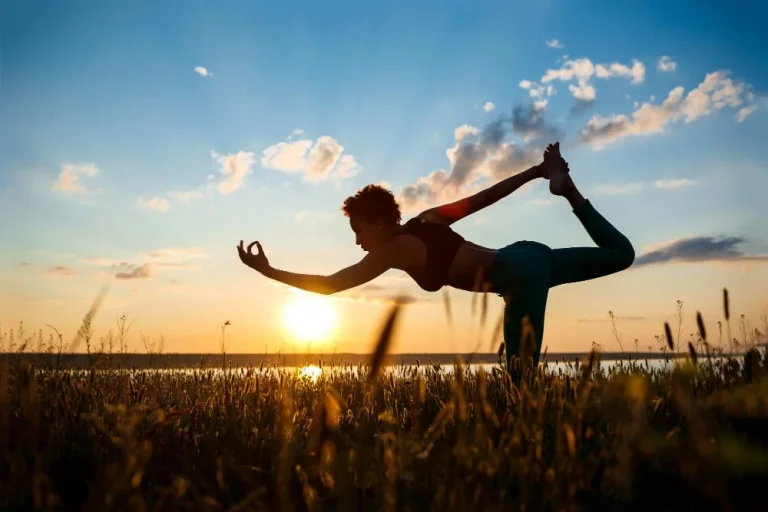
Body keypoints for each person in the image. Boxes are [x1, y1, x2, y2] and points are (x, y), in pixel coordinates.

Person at [237, 143, 635, 380]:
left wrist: (267, 271)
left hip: (519, 277)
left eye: (359, 230)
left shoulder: (393, 249)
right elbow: (484, 198)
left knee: (520, 383)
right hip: (525, 254)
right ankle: (569, 193)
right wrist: (535, 172)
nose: (358, 240)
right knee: (622, 254)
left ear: (378, 223)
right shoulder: (426, 219)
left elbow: (331, 284)